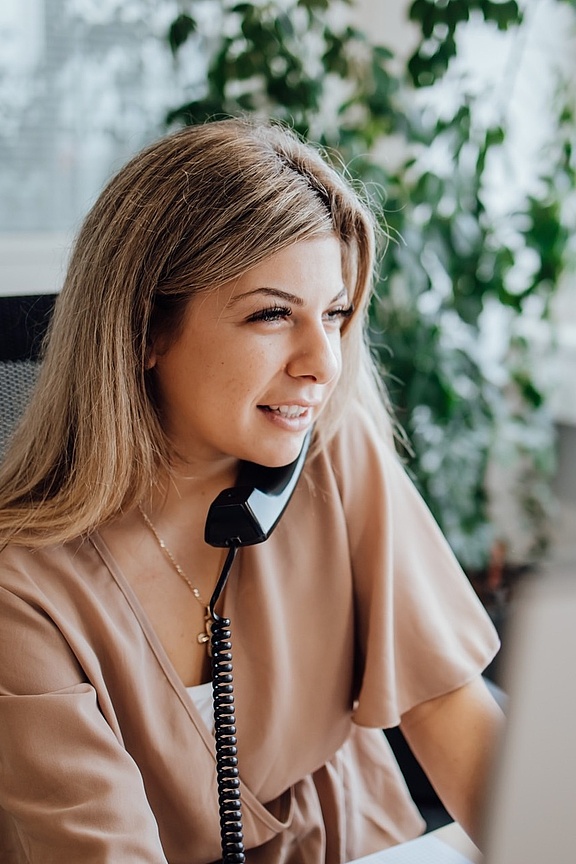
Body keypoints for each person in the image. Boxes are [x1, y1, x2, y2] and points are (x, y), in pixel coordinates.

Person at [0, 117, 503, 864]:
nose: (323, 364)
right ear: (143, 329)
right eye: (272, 314)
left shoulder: (333, 450)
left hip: (363, 842)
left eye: (333, 314)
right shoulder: (24, 591)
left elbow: (445, 703)